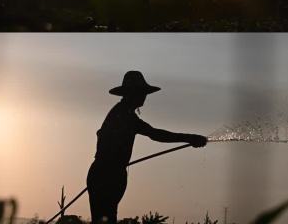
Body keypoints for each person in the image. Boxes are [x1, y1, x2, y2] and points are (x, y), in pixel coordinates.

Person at [87, 71, 207, 224]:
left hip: (107, 174)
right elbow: (156, 134)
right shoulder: (125, 116)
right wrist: (189, 138)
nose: (144, 96)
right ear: (132, 93)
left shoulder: (123, 113)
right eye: (142, 93)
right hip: (107, 175)